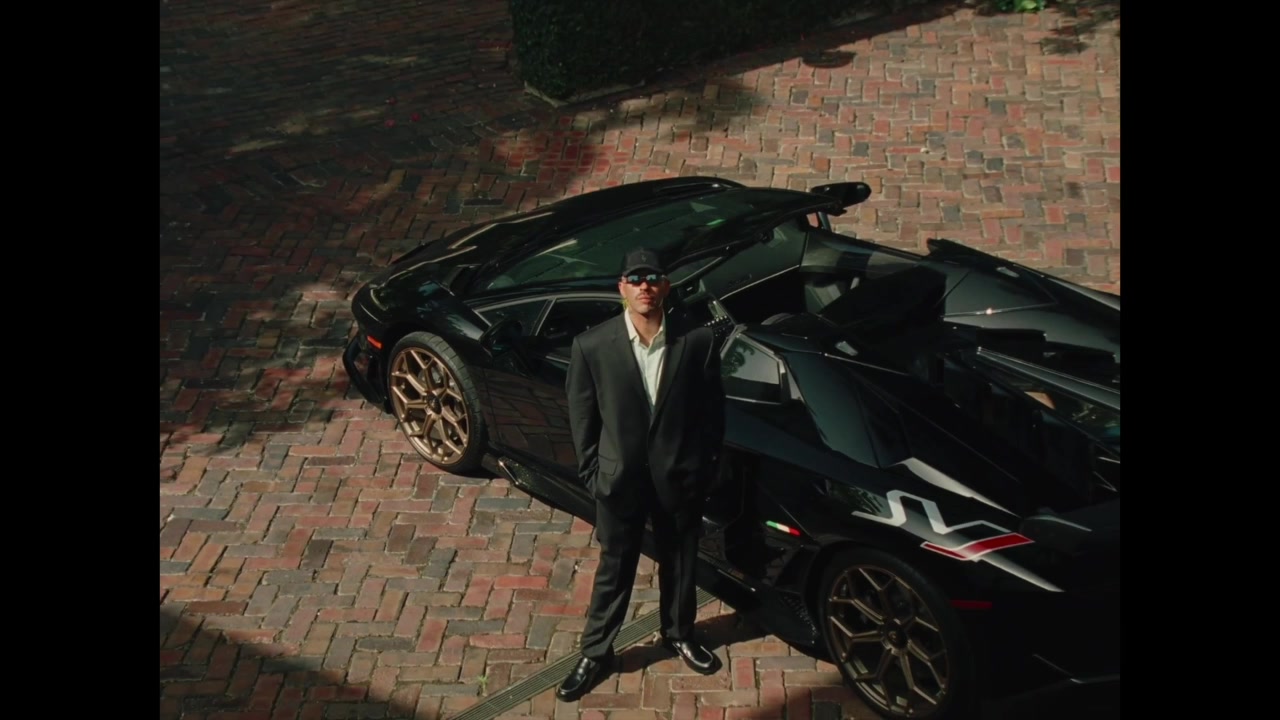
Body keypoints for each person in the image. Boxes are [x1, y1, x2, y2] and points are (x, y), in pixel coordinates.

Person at [557, 247, 726, 702]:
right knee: (615, 567)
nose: (644, 286)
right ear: (622, 288)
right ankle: (596, 652)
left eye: (652, 278)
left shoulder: (696, 341)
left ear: (665, 286)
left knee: (681, 561)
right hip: (619, 482)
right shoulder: (592, 347)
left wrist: (704, 467)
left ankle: (679, 634)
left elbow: (712, 413)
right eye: (635, 279)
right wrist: (595, 476)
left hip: (679, 477)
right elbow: (582, 421)